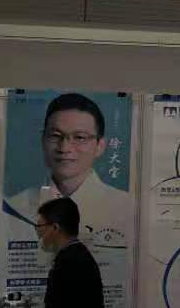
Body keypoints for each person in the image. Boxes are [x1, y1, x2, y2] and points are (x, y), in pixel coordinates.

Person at [10, 92, 128, 251]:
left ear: (100, 146)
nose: (64, 148)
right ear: (43, 140)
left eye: (80, 137)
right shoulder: (15, 208)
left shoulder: (126, 207)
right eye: (55, 135)